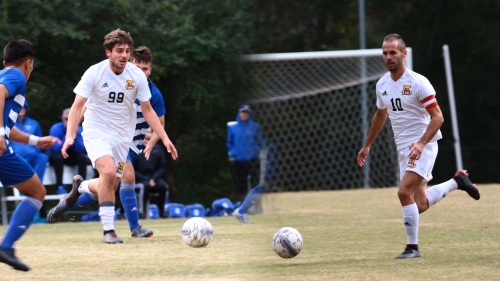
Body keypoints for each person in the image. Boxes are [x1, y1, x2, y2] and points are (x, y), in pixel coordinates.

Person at [46, 29, 177, 244]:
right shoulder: (94, 73)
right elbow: (77, 106)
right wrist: (70, 135)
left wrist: (164, 138)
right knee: (109, 172)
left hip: (122, 139)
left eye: (127, 51)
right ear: (108, 52)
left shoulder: (136, 78)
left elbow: (148, 111)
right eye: (119, 51)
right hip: (96, 132)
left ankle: (79, 189)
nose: (124, 55)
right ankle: (110, 231)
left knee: (109, 183)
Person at [356, 34, 480, 259]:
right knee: (419, 203)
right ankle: (457, 181)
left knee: (404, 192)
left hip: (423, 144)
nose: (388, 57)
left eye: (393, 52)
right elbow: (380, 114)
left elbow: (438, 117)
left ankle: (412, 248)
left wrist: (422, 143)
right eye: (385, 53)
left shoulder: (418, 82)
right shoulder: (382, 84)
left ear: (404, 54)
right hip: (403, 149)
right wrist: (367, 145)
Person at [0, 39, 59, 271]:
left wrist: (35, 140)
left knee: (36, 191)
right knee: (36, 192)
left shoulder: (5, 73)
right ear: (28, 63)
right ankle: (5, 247)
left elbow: (8, 128)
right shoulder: (15, 76)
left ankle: (6, 247)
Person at [226, 103, 264, 202]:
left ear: (249, 114)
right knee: (241, 185)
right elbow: (229, 142)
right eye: (243, 112)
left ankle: (257, 206)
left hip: (253, 160)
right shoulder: (233, 128)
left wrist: (255, 152)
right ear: (239, 113)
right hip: (239, 161)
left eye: (246, 113)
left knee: (255, 184)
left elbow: (259, 141)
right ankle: (242, 207)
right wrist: (235, 153)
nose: (244, 115)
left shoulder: (255, 127)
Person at [47, 107, 89, 194]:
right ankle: (60, 186)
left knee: (82, 158)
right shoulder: (55, 128)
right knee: (58, 157)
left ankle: (81, 185)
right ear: (62, 119)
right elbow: (55, 149)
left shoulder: (79, 129)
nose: (68, 121)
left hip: (70, 155)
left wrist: (75, 137)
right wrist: (68, 137)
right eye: (66, 119)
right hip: (58, 155)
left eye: (71, 118)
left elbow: (81, 149)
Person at [134, 128, 169, 218]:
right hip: (140, 179)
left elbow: (162, 166)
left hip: (154, 177)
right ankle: (141, 213)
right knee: (144, 186)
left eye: (149, 132)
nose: (147, 134)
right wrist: (147, 180)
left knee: (163, 186)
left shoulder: (158, 148)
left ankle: (162, 212)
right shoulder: (135, 148)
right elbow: (132, 169)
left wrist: (153, 179)